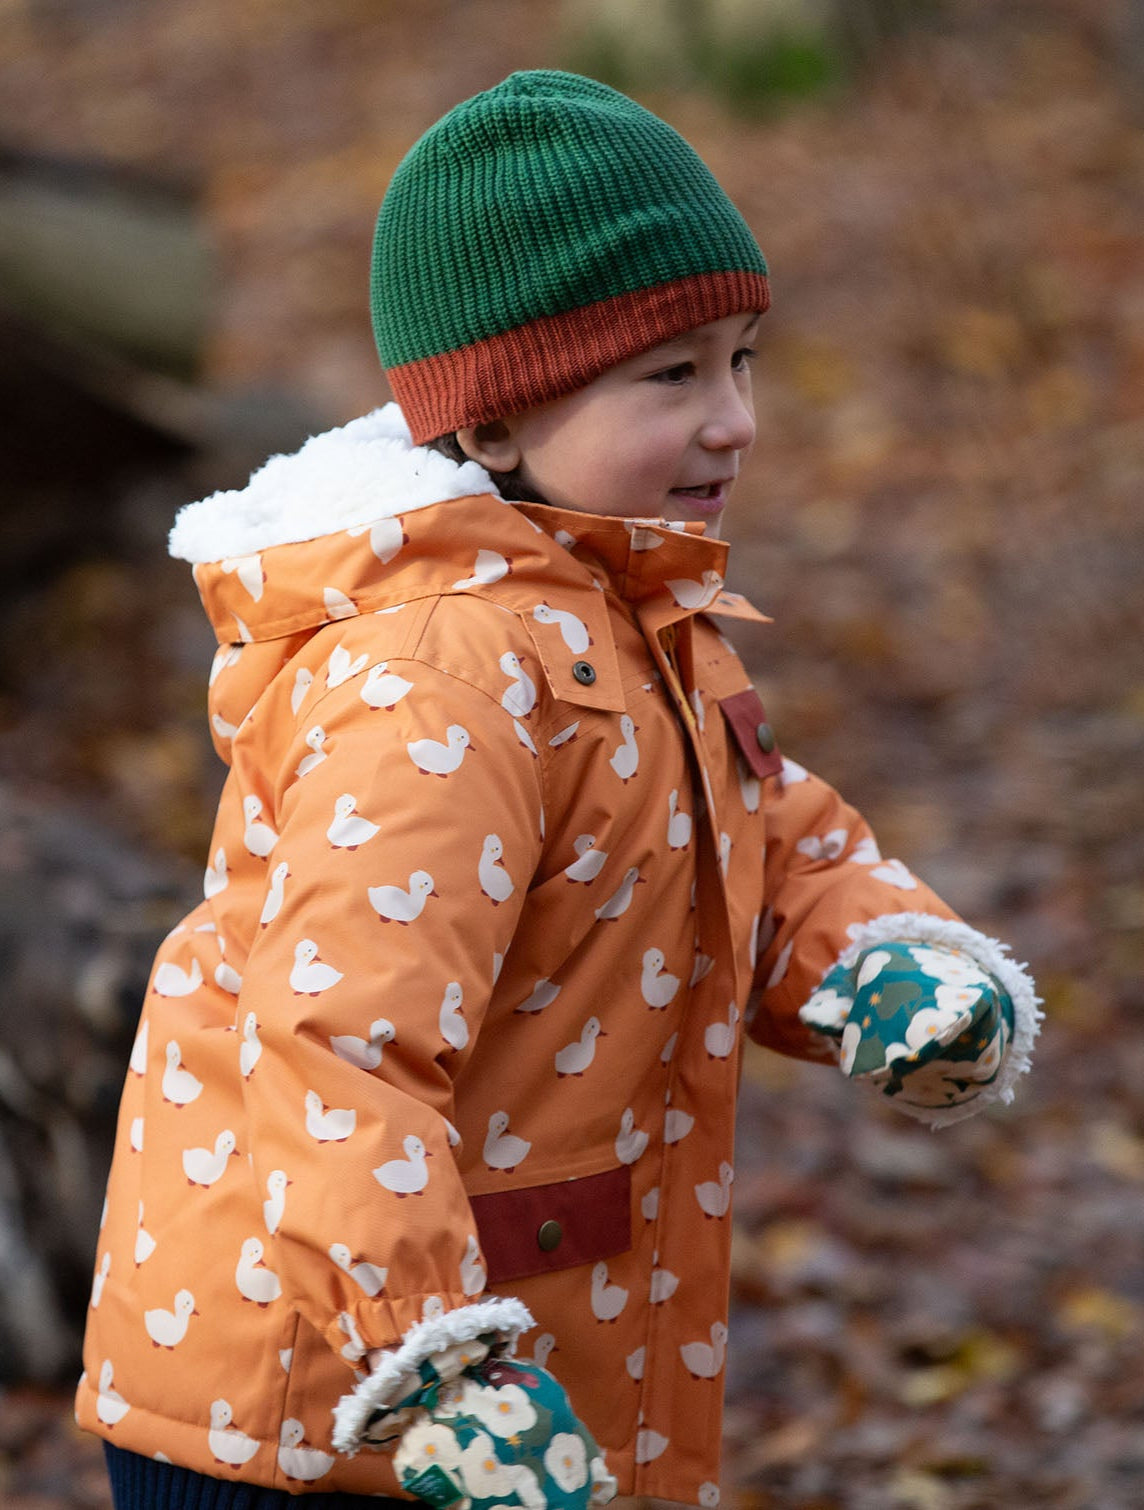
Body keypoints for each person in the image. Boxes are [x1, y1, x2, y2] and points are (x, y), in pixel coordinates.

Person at [77, 70, 1041, 1509]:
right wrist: (435, 1362)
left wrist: (881, 952)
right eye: (671, 376)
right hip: (312, 1408)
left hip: (509, 1366)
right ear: (499, 421)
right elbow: (341, 1040)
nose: (736, 423)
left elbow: (749, 833)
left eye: (742, 361)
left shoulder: (619, 613)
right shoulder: (437, 677)